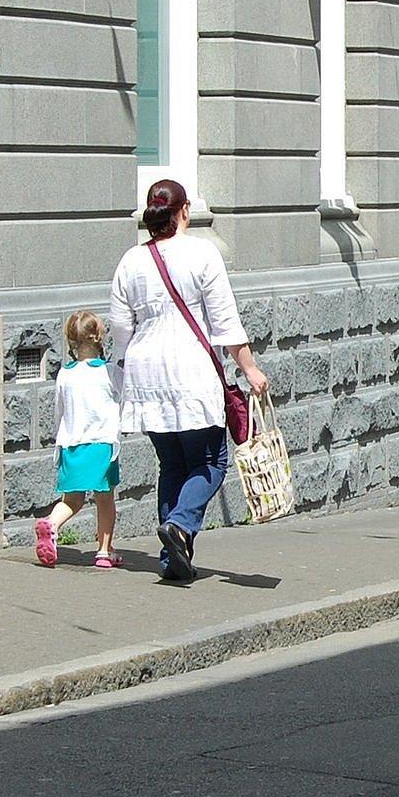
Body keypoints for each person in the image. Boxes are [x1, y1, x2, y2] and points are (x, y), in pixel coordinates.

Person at [109, 179, 269, 583]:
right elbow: (224, 322)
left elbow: (120, 329)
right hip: (191, 371)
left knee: (173, 465)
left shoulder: (130, 261)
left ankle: (172, 559)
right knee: (211, 462)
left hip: (146, 374)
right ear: (184, 212)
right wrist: (249, 368)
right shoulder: (201, 253)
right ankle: (180, 525)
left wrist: (124, 376)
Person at [35, 311, 121, 569]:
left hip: (71, 443)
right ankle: (104, 551)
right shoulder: (109, 372)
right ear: (99, 338)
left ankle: (51, 523)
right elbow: (124, 398)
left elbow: (59, 411)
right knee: (104, 498)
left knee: (72, 500)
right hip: (101, 443)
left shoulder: (65, 374)